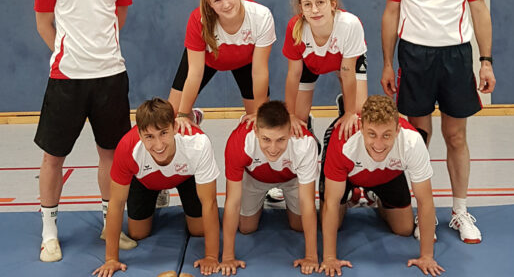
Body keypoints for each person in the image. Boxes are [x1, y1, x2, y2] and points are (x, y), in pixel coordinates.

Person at [381, 0, 496, 244]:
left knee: (455, 136)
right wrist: (387, 62)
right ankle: (423, 212)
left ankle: (460, 211)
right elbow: (390, 13)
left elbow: (479, 10)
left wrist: (486, 60)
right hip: (415, 57)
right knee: (419, 139)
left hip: (456, 56)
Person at [34, 0, 135, 262]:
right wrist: (68, 50)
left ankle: (111, 227)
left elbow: (119, 16)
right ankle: (49, 232)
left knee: (110, 154)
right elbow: (44, 23)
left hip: (110, 76)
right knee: (53, 157)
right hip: (66, 78)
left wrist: (98, 49)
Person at [93, 98, 221, 277]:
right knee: (137, 234)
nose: (159, 145)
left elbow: (209, 202)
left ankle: (193, 117)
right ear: (139, 134)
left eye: (163, 133)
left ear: (175, 127)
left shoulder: (197, 143)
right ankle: (160, 192)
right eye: (149, 136)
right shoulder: (128, 148)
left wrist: (211, 256)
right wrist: (111, 259)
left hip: (186, 175)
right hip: (146, 179)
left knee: (199, 230)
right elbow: (116, 202)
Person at [320, 96, 444, 277]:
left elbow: (425, 201)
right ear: (361, 128)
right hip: (349, 175)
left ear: (398, 130)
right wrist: (329, 257)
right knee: (332, 223)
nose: (378, 144)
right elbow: (331, 203)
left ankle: (375, 196)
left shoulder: (412, 142)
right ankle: (350, 196)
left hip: (388, 173)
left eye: (386, 135)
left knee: (404, 229)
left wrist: (427, 256)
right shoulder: (343, 141)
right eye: (372, 134)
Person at [169, 0, 275, 132]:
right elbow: (195, 72)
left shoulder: (261, 16)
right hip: (207, 61)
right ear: (209, 3)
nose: (226, 4)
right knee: (173, 117)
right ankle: (192, 116)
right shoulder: (199, 20)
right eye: (217, 0)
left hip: (245, 61)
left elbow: (260, 70)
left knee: (260, 122)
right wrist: (182, 114)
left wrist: (258, 113)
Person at [221, 100, 319, 276]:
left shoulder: (305, 143)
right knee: (246, 228)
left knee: (299, 225)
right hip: (254, 178)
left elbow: (308, 202)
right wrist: (228, 256)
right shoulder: (239, 140)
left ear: (289, 132)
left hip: (292, 178)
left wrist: (311, 256)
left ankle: (308, 121)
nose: (273, 148)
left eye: (281, 139)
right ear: (256, 131)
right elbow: (232, 201)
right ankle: (265, 196)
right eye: (266, 139)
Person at [283, 0, 367, 140]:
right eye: (308, 5)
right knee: (298, 121)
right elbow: (293, 74)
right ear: (301, 8)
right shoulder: (295, 29)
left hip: (344, 60)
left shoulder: (350, 25)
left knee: (358, 113)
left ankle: (345, 105)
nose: (314, 10)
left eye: (320, 2)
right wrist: (290, 114)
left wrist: (349, 113)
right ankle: (309, 124)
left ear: (332, 4)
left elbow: (347, 71)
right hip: (311, 62)